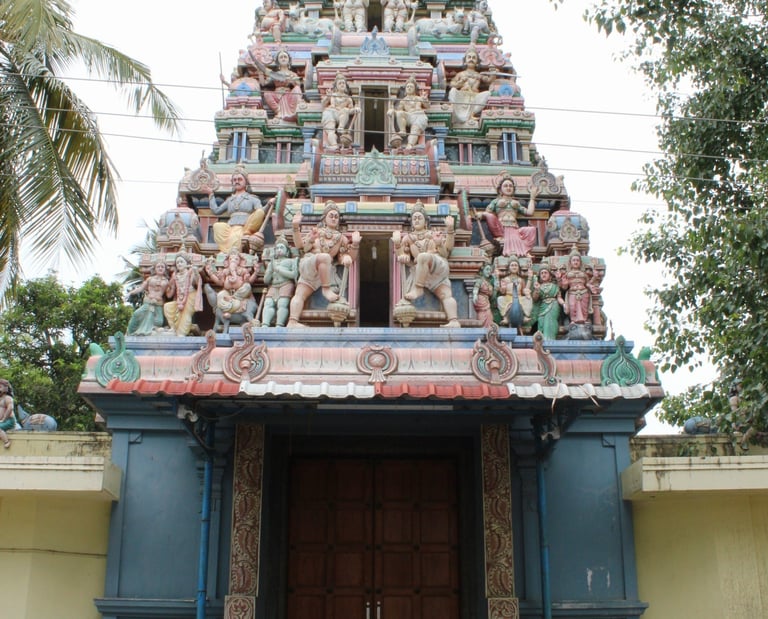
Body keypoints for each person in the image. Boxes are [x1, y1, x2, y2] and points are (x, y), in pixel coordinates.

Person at [288, 202, 361, 327]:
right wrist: (295, 227)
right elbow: (300, 245)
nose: (333, 218)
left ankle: (292, 322)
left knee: (300, 295)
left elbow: (344, 256)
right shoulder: (317, 232)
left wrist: (354, 245)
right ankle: (326, 290)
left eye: (336, 217)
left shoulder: (341, 238)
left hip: (321, 276)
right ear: (325, 218)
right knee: (325, 257)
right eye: (331, 215)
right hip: (309, 264)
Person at [393, 202, 460, 328]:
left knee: (423, 256)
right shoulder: (408, 238)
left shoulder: (432, 234)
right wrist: (397, 244)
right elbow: (403, 256)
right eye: (414, 218)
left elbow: (446, 252)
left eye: (420, 217)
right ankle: (454, 320)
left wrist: (447, 233)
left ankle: (418, 288)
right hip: (426, 275)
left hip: (437, 265)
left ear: (426, 221)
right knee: (445, 294)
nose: (417, 220)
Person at [475, 175, 538, 257]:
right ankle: (519, 251)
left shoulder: (516, 203)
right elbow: (487, 213)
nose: (508, 188)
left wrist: (532, 198)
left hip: (514, 228)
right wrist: (481, 214)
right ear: (500, 190)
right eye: (505, 186)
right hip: (500, 228)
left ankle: (523, 251)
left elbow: (529, 212)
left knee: (532, 230)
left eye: (510, 186)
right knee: (490, 216)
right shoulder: (496, 201)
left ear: (513, 189)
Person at [208, 168, 265, 254]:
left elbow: (260, 211)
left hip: (246, 226)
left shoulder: (252, 198)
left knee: (260, 212)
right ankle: (227, 251)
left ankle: (246, 233)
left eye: (240, 179)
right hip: (230, 227)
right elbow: (216, 211)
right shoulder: (230, 200)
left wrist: (269, 204)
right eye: (234, 180)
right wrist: (210, 195)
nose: (237, 181)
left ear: (246, 182)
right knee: (217, 226)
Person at [203, 248, 259, 320]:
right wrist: (210, 273)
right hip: (227, 293)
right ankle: (228, 310)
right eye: (230, 259)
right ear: (227, 261)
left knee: (247, 286)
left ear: (240, 261)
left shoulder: (243, 270)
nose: (233, 261)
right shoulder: (225, 271)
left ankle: (232, 300)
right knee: (220, 295)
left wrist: (255, 272)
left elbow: (249, 281)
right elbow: (220, 283)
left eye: (236, 259)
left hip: (239, 295)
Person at [448, 45, 493, 123]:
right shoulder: (461, 74)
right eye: (469, 57)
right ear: (465, 61)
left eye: (474, 58)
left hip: (475, 96)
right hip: (462, 95)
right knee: (453, 90)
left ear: (477, 62)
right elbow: (451, 84)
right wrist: (460, 82)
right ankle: (454, 111)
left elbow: (489, 80)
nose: (471, 59)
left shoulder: (479, 75)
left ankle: (472, 114)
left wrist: (493, 73)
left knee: (487, 93)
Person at [256, 47, 302, 122]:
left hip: (289, 95)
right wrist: (260, 73)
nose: (283, 59)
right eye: (281, 57)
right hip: (277, 95)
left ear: (288, 60)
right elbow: (263, 84)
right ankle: (279, 112)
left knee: (297, 89)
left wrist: (292, 80)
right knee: (267, 94)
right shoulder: (275, 74)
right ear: (278, 61)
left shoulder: (292, 74)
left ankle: (293, 112)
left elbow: (298, 84)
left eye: (285, 57)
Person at [126, 260, 171, 335]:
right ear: (155, 269)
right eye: (158, 267)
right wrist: (130, 293)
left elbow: (169, 295)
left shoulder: (166, 281)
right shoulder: (150, 279)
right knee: (136, 314)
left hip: (158, 304)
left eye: (162, 267)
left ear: (165, 269)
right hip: (148, 302)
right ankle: (130, 332)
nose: (160, 268)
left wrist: (174, 286)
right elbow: (140, 288)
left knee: (159, 322)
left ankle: (152, 329)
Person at [261, 236, 299, 327]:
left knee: (282, 304)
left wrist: (278, 270)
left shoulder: (291, 261)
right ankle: (265, 324)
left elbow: (294, 275)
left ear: (287, 251)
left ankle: (279, 325)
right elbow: (266, 280)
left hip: (286, 284)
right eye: (277, 248)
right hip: (273, 286)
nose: (279, 250)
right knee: (268, 303)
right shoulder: (272, 263)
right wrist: (270, 270)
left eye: (281, 247)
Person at [164, 253, 203, 336]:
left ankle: (182, 333)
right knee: (167, 307)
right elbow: (170, 294)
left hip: (191, 296)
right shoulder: (175, 276)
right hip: (180, 299)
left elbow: (196, 283)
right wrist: (166, 286)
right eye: (177, 263)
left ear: (187, 264)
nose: (179, 264)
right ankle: (173, 328)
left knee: (186, 314)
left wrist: (196, 272)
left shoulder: (190, 272)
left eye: (181, 262)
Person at [388, 75, 428, 151]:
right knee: (399, 113)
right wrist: (392, 111)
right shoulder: (403, 100)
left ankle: (410, 145)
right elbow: (399, 111)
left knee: (415, 130)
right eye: (407, 87)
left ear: (414, 89)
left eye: (411, 87)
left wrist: (424, 99)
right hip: (409, 116)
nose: (409, 88)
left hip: (419, 116)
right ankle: (403, 130)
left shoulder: (418, 98)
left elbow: (427, 106)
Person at [321, 73, 359, 150]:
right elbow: (323, 104)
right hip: (331, 113)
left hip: (341, 115)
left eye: (343, 83)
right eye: (340, 83)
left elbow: (350, 110)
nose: (342, 85)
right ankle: (334, 144)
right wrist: (328, 97)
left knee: (345, 110)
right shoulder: (333, 95)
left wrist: (356, 109)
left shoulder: (348, 99)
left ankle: (340, 127)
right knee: (330, 129)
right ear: (336, 86)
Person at [557, 248, 594, 326]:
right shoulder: (567, 274)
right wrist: (562, 281)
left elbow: (587, 283)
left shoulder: (583, 274)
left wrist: (590, 286)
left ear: (580, 263)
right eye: (574, 260)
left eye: (577, 260)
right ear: (570, 263)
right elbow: (564, 287)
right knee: (572, 306)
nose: (576, 262)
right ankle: (573, 320)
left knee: (584, 307)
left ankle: (584, 319)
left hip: (583, 292)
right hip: (572, 292)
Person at [497, 257, 532, 331]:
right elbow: (502, 292)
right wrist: (502, 287)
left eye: (516, 265)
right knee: (499, 299)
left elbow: (523, 291)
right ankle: (505, 317)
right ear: (509, 268)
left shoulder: (521, 280)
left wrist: (529, 278)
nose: (514, 267)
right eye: (512, 265)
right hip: (508, 297)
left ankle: (524, 316)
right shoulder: (505, 279)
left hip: (519, 297)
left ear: (518, 268)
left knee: (528, 299)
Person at [531, 265, 564, 339]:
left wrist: (564, 304)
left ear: (550, 276)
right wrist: (536, 290)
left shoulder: (554, 286)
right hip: (542, 307)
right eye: (542, 273)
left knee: (549, 323)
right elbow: (535, 299)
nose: (543, 274)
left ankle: (550, 340)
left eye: (545, 272)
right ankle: (542, 341)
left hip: (553, 305)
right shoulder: (539, 286)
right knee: (541, 323)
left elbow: (559, 297)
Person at [471, 262, 498, 328]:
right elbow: (476, 287)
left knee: (489, 316)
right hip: (480, 300)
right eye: (487, 269)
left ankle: (488, 332)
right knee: (482, 317)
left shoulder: (489, 283)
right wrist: (475, 294)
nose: (489, 271)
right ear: (482, 270)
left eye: (490, 270)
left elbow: (492, 296)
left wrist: (496, 283)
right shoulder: (480, 280)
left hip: (487, 302)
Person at [0, 379, 16, 448]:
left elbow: (10, 408)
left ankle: (6, 441)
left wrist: (4, 419)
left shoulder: (8, 398)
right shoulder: (1, 399)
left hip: (9, 420)